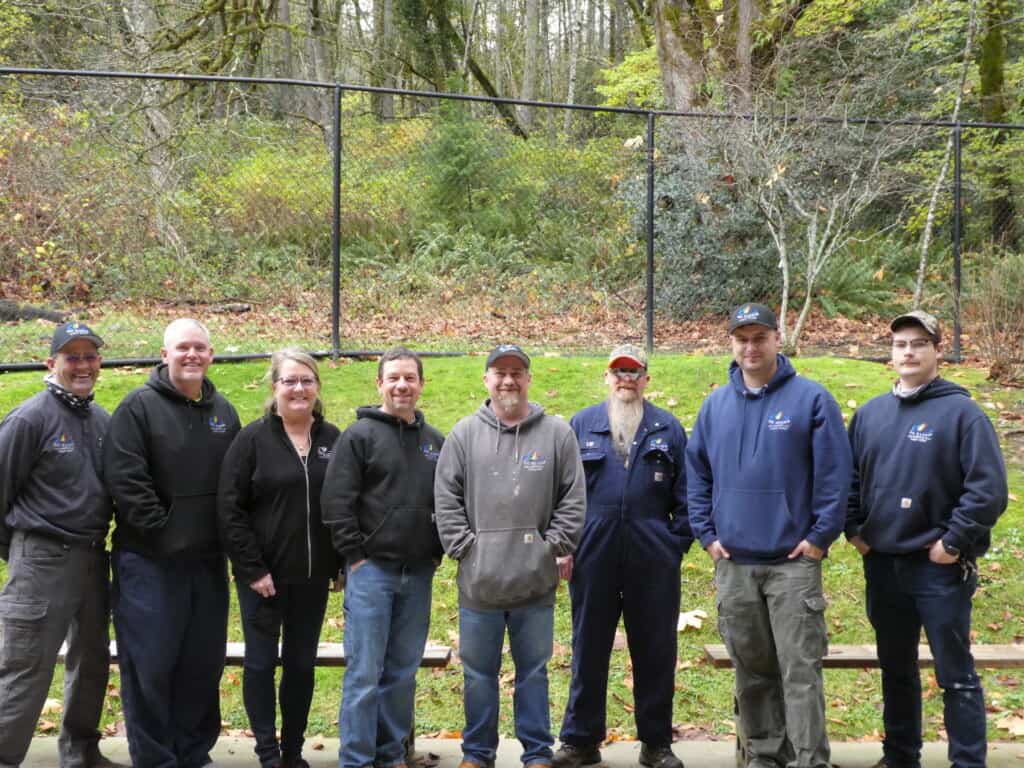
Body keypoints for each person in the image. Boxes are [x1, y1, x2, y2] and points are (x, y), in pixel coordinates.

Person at [686, 303, 851, 768]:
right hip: (734, 564)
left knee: (799, 672)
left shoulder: (811, 400)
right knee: (752, 672)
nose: (751, 347)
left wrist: (820, 537)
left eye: (760, 337)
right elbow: (695, 474)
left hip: (792, 565)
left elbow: (835, 477)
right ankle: (762, 755)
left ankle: (808, 759)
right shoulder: (715, 406)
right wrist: (706, 533)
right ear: (732, 344)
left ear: (778, 340)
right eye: (742, 339)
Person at [846, 310, 1008, 768]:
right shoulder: (871, 414)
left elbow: (989, 490)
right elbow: (848, 480)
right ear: (891, 352)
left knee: (955, 676)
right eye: (900, 344)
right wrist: (856, 531)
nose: (909, 352)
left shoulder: (963, 414)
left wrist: (953, 542)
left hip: (938, 569)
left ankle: (967, 762)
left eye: (919, 343)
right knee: (896, 671)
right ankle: (900, 756)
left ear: (938, 350)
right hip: (883, 565)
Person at [435, 343, 586, 768]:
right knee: (478, 676)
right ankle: (477, 753)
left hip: (534, 584)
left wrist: (550, 548)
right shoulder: (464, 434)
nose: (508, 380)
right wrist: (467, 549)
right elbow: (445, 499)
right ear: (486, 379)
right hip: (479, 585)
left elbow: (573, 499)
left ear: (528, 379)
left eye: (516, 372)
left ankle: (537, 753)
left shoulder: (557, 434)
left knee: (534, 675)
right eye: (499, 372)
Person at [104, 318, 241, 768]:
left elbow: (236, 484)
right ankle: (156, 758)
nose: (192, 356)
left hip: (207, 564)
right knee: (152, 665)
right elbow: (127, 482)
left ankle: (193, 753)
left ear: (211, 355)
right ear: (164, 355)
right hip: (150, 563)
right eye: (182, 348)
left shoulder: (223, 412)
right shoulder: (137, 409)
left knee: (202, 665)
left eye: (200, 348)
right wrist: (167, 532)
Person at [554, 344, 691, 768]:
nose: (626, 379)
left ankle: (656, 743)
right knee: (588, 646)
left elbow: (688, 496)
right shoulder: (581, 424)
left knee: (655, 649)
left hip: (653, 556)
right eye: (618, 372)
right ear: (606, 377)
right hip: (592, 552)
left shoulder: (668, 428)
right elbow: (561, 494)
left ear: (647, 378)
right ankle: (581, 741)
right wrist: (565, 545)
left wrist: (674, 545)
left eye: (634, 372)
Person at [0, 322, 122, 768]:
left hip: (92, 557)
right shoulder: (30, 418)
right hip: (41, 560)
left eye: (90, 356)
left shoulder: (102, 420)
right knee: (26, 666)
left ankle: (81, 752)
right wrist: (23, 550)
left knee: (91, 662)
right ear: (51, 364)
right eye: (72, 357)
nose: (83, 365)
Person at [320, 347, 445, 768]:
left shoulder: (435, 443)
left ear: (421, 384)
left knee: (401, 675)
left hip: (419, 573)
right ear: (379, 384)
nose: (402, 385)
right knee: (364, 676)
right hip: (371, 571)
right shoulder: (358, 437)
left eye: (410, 377)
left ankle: (391, 756)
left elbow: (448, 503)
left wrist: (436, 550)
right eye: (393, 377)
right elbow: (336, 501)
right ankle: (356, 760)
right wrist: (354, 556)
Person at [218, 348, 342, 768]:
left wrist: (339, 563)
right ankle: (267, 752)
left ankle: (293, 751)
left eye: (307, 380)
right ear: (275, 387)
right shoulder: (251, 440)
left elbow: (344, 505)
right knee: (259, 663)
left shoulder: (332, 440)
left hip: (312, 578)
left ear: (317, 387)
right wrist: (253, 569)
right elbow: (229, 509)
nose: (299, 388)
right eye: (290, 381)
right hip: (263, 579)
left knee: (301, 664)